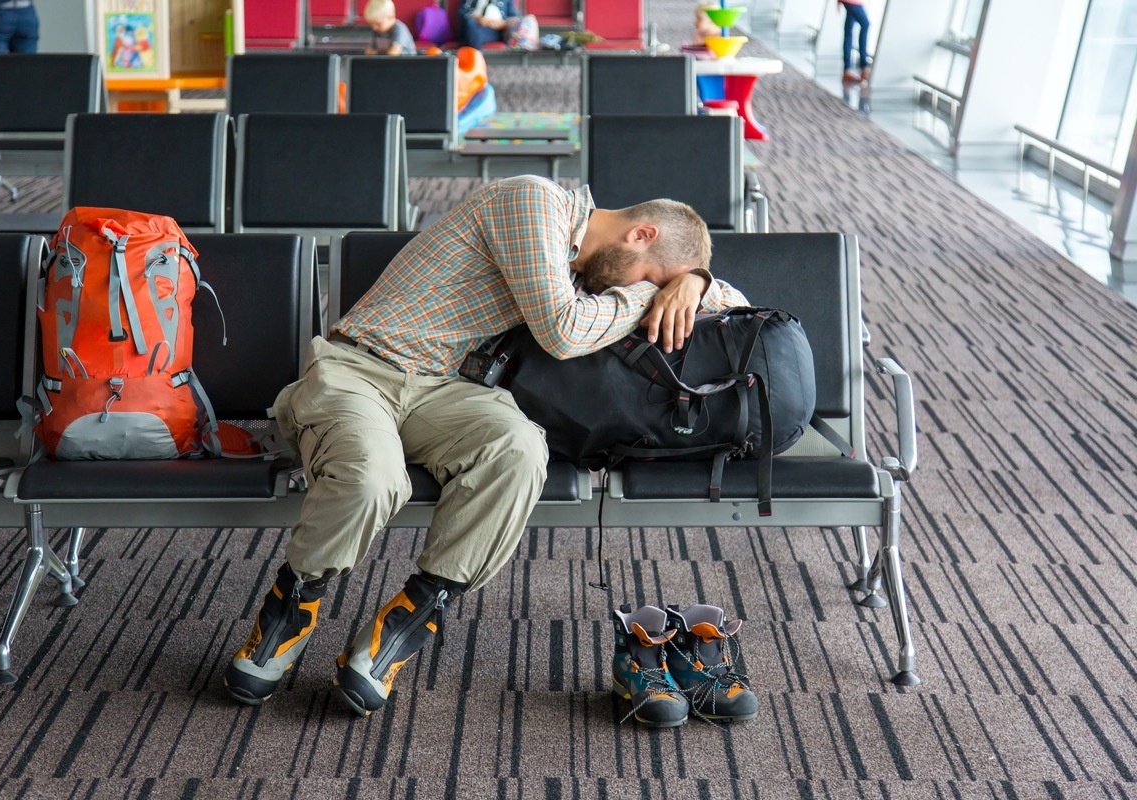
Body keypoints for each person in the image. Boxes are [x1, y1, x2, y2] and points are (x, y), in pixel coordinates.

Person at [223, 175, 750, 717]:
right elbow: (564, 332)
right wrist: (648, 294)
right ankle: (292, 608)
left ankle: (412, 615)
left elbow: (739, 304)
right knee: (373, 479)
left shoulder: (590, 259)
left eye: (654, 290)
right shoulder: (531, 201)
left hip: (448, 390)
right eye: (649, 279)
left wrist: (696, 283)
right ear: (640, 235)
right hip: (360, 369)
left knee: (521, 450)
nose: (643, 293)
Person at [838, 0, 871, 82]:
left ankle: (847, 69)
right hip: (853, 1)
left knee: (848, 32)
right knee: (865, 24)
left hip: (851, 2)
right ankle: (864, 66)